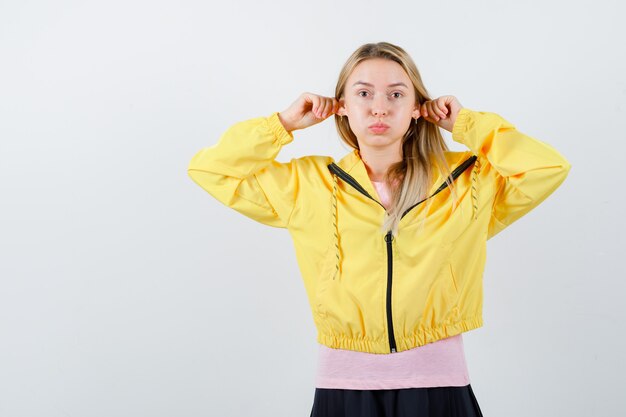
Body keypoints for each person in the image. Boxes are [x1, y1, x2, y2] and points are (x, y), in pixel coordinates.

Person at [187, 42, 571, 417]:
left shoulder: (466, 182)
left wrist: (467, 124)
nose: (379, 108)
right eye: (364, 93)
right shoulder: (308, 185)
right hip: (343, 388)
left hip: (439, 385)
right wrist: (283, 123)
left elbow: (546, 169)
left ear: (418, 108)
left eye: (396, 94)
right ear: (342, 107)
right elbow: (211, 170)